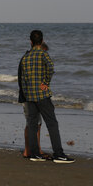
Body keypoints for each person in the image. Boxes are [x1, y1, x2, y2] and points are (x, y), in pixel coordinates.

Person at [20, 30, 74, 163]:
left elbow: (22, 78)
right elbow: (51, 67)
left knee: (32, 124)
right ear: (42, 41)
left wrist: (27, 93)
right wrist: (45, 82)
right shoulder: (43, 54)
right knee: (52, 124)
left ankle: (34, 154)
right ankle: (59, 154)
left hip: (30, 95)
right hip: (42, 95)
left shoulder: (25, 57)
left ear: (31, 42)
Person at [18, 43, 49, 159]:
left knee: (36, 123)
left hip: (31, 96)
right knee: (33, 123)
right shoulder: (28, 60)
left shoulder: (28, 59)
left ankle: (35, 149)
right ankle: (29, 150)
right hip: (29, 97)